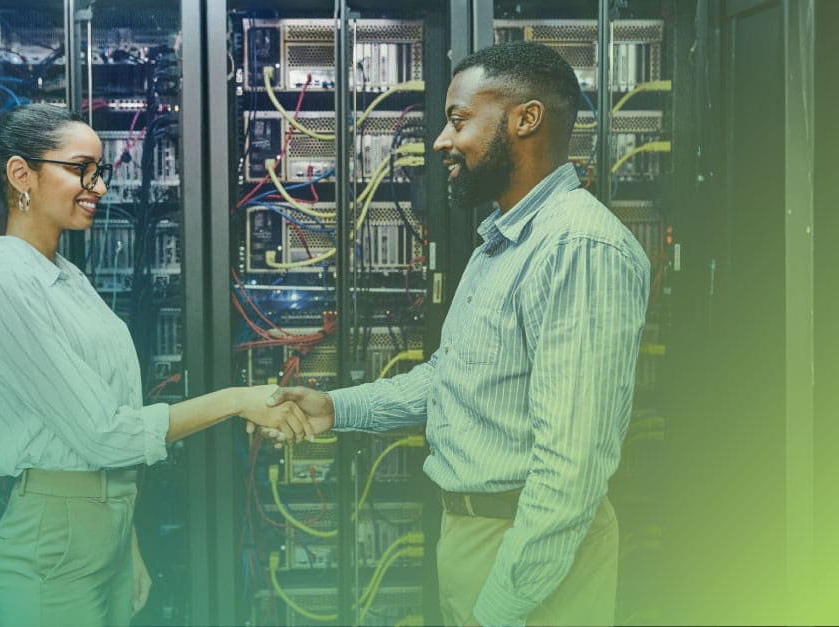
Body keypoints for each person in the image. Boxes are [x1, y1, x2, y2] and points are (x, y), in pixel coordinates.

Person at [265, 41, 650, 626]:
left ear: (525, 119)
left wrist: (499, 607)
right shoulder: (504, 239)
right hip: (476, 535)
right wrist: (333, 410)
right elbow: (451, 378)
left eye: (458, 120)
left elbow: (570, 471)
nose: (442, 141)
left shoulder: (578, 248)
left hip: (526, 550)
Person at [0, 103, 315, 627]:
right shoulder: (6, 284)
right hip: (52, 547)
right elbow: (104, 434)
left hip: (102, 533)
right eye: (81, 169)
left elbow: (105, 438)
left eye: (99, 172)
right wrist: (237, 400)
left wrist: (127, 545)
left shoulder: (67, 280)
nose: (98, 187)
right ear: (21, 174)